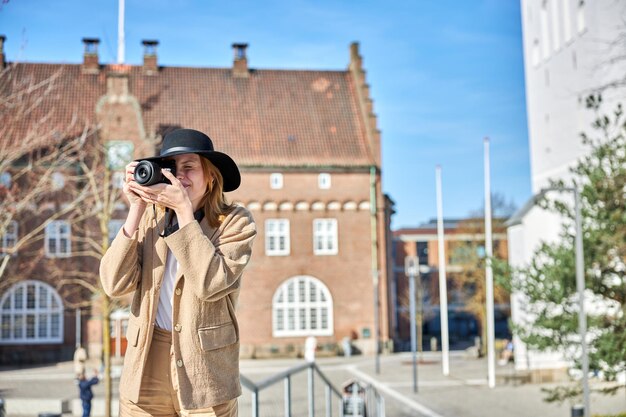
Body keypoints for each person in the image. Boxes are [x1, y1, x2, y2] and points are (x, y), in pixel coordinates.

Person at [100, 129, 257, 417]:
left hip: (206, 370)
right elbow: (113, 283)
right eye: (172, 168)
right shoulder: (151, 215)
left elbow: (210, 283)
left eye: (189, 167)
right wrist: (135, 210)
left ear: (210, 176)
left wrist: (184, 212)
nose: (179, 176)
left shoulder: (235, 222)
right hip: (146, 362)